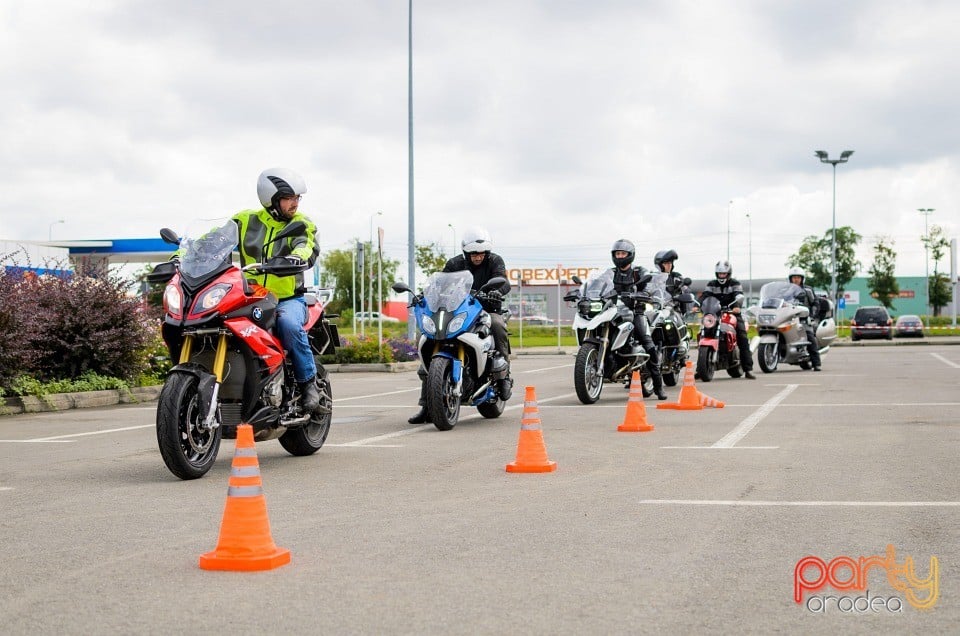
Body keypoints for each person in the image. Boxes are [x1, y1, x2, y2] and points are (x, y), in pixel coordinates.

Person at [175, 168, 321, 411]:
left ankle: (309, 384)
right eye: (289, 198)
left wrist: (295, 258)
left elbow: (306, 247)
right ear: (271, 199)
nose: (295, 203)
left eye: (297, 198)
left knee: (289, 325)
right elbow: (210, 242)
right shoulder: (244, 221)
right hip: (249, 295)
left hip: (287, 299)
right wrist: (181, 256)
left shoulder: (301, 224)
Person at [408, 226, 513, 424]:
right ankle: (426, 406)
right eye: (473, 253)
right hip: (459, 309)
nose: (478, 257)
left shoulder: (495, 261)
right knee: (428, 340)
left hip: (486, 308)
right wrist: (424, 294)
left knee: (498, 324)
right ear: (466, 252)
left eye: (481, 253)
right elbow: (438, 284)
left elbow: (504, 281)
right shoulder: (455, 263)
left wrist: (498, 291)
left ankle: (503, 376)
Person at [611, 239, 667, 400]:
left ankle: (658, 387)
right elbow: (599, 286)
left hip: (635, 312)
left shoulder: (639, 272)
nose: (620, 256)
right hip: (615, 313)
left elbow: (649, 286)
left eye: (623, 253)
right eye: (617, 253)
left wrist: (646, 294)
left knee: (648, 344)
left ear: (630, 255)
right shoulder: (610, 273)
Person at [699, 260, 755, 379]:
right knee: (703, 333)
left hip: (732, 312)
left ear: (728, 274)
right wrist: (698, 304)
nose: (721, 276)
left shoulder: (735, 283)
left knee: (742, 337)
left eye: (724, 274)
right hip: (715, 313)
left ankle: (748, 369)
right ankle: (701, 368)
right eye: (719, 274)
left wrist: (736, 307)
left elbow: (738, 294)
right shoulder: (711, 284)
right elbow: (705, 296)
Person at [788, 267, 822, 371]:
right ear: (790, 279)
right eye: (794, 278)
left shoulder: (807, 290)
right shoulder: (786, 291)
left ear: (802, 279)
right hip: (788, 318)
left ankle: (816, 363)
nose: (796, 279)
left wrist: (811, 316)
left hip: (803, 319)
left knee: (810, 337)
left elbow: (815, 303)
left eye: (798, 277)